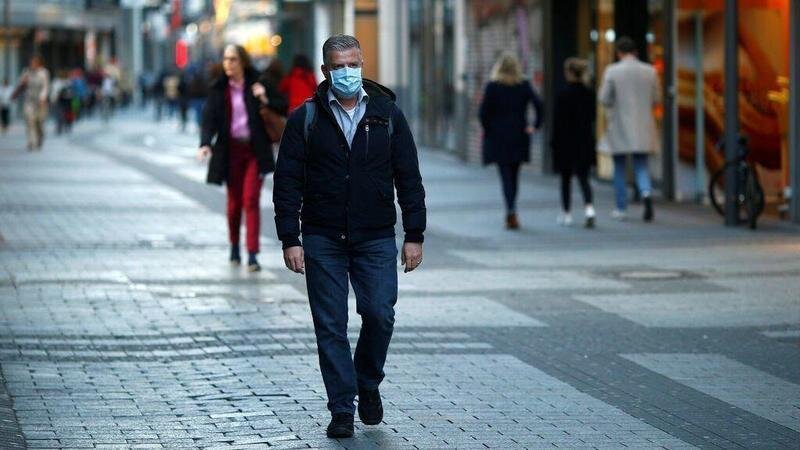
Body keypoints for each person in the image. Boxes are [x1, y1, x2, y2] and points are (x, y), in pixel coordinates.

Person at [273, 35, 426, 438]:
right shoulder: (304, 119)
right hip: (323, 237)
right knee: (330, 325)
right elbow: (286, 183)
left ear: (362, 64)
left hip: (375, 236)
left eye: (352, 64)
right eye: (338, 66)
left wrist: (415, 233)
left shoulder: (387, 114)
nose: (346, 72)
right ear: (325, 71)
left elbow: (409, 178)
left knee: (379, 313)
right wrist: (290, 238)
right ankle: (342, 407)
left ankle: (368, 381)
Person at [197, 45, 275, 272]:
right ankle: (234, 246)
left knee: (250, 200)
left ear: (242, 62)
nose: (228, 63)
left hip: (254, 151)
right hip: (230, 153)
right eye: (225, 59)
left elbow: (281, 106)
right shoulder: (218, 88)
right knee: (234, 204)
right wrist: (204, 144)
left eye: (232, 59)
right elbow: (209, 119)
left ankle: (252, 254)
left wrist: (264, 98)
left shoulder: (258, 84)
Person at [599, 36, 660, 222]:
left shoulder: (612, 71)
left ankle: (621, 207)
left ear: (619, 52)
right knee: (641, 165)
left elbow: (604, 98)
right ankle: (646, 193)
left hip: (620, 125)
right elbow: (656, 98)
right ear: (635, 51)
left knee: (619, 167)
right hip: (643, 125)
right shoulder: (650, 71)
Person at [479, 52, 543, 229]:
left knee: (505, 175)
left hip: (499, 137)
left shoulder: (493, 86)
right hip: (519, 136)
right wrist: (534, 126)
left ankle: (510, 210)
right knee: (515, 175)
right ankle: (512, 209)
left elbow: (483, 113)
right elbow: (539, 104)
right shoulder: (523, 85)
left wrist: (488, 129)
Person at [551, 58, 597, 228]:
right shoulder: (589, 93)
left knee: (565, 179)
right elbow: (592, 116)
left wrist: (554, 142)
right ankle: (589, 209)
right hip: (584, 139)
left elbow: (557, 121)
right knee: (584, 177)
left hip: (566, 141)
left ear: (569, 73)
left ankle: (567, 213)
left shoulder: (562, 94)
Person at [14, 55, 50, 151]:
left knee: (39, 123)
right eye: (31, 63)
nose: (32, 64)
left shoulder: (44, 73)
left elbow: (45, 87)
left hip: (40, 101)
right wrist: (23, 81)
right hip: (29, 100)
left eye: (34, 63)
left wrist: (43, 98)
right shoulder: (26, 72)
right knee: (29, 120)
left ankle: (39, 139)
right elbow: (20, 84)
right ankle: (31, 142)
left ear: (39, 64)